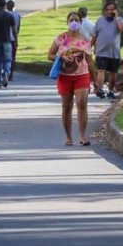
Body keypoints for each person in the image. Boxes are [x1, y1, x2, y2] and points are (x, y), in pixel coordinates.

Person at [48, 11, 94, 146]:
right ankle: (68, 137)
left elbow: (90, 61)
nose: (74, 22)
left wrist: (95, 79)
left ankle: (82, 136)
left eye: (77, 20)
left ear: (80, 23)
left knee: (82, 104)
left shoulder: (85, 41)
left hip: (82, 75)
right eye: (71, 20)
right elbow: (49, 55)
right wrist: (61, 57)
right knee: (67, 107)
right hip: (64, 76)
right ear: (67, 22)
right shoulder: (61, 38)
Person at [91, 1, 123, 99]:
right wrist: (88, 47)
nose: (110, 12)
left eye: (112, 9)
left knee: (113, 73)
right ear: (104, 11)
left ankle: (110, 90)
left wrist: (117, 18)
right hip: (101, 51)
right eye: (108, 10)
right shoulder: (99, 21)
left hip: (114, 52)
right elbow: (94, 36)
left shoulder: (119, 20)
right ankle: (100, 89)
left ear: (115, 10)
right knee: (101, 70)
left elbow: (121, 28)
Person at [6, 0, 22, 81]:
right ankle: (11, 75)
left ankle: (5, 73)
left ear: (6, 6)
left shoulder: (5, 15)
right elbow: (18, 29)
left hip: (5, 39)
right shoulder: (18, 15)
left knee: (5, 57)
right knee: (13, 57)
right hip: (14, 39)